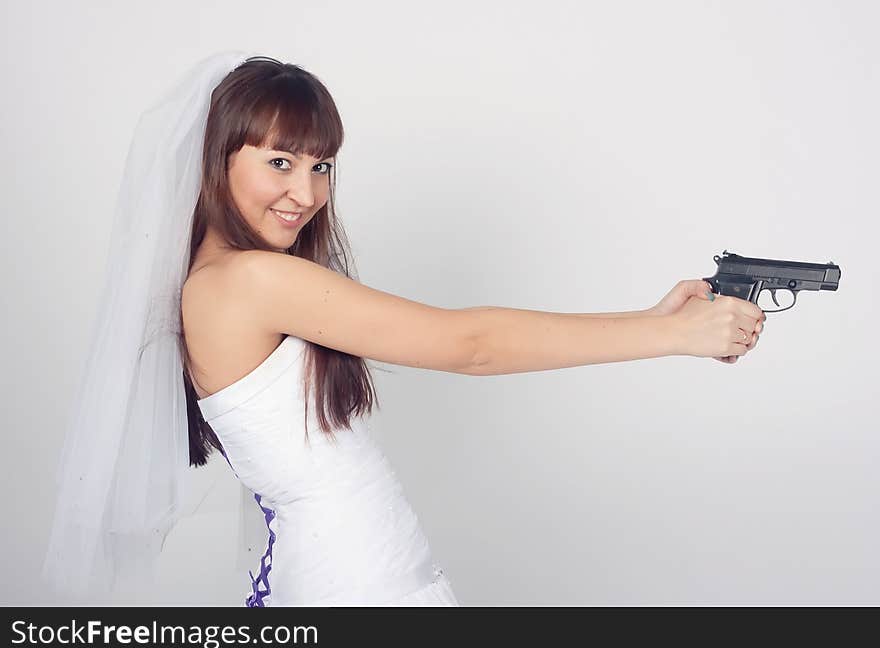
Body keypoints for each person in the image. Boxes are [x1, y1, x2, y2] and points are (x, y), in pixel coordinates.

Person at [41, 51, 765, 607]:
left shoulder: (229, 281)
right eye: (280, 162)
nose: (307, 192)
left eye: (322, 165)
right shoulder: (247, 282)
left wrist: (655, 318)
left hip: (353, 571)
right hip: (350, 584)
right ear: (217, 160)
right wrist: (673, 337)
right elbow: (469, 345)